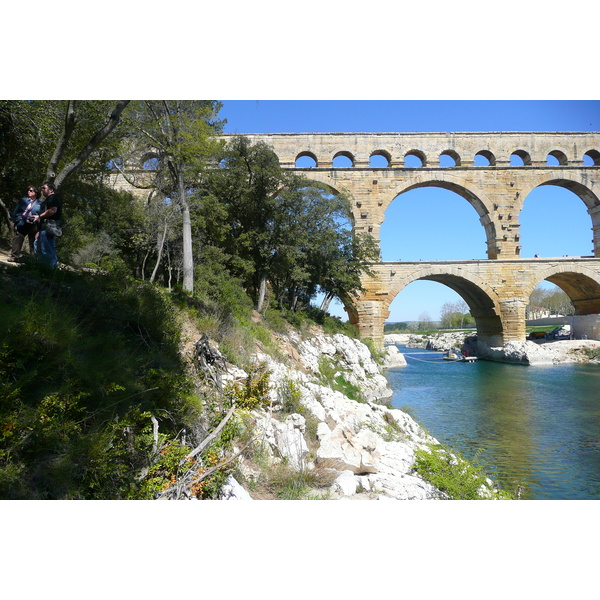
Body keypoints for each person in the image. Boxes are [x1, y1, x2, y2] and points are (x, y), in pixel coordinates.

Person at [8, 185, 43, 262]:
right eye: (28, 190)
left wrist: (39, 226)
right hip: (22, 222)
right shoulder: (23, 200)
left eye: (31, 190)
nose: (29, 192)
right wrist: (14, 220)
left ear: (36, 192)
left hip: (33, 225)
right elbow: (16, 211)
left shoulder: (40, 203)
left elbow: (41, 216)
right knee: (17, 239)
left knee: (32, 242)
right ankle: (14, 256)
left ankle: (32, 259)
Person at [34, 181, 63, 268]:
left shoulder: (52, 198)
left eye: (44, 188)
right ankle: (41, 268)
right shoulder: (48, 199)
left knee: (47, 249)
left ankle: (49, 269)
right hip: (43, 229)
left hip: (48, 228)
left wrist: (39, 216)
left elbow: (52, 210)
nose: (42, 190)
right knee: (39, 247)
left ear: (51, 190)